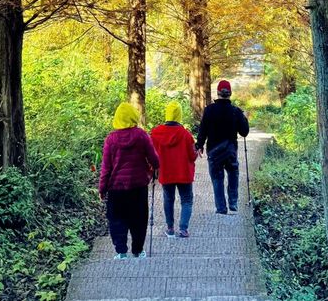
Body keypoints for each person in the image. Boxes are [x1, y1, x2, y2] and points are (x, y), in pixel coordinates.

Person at [99, 102, 159, 260]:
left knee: (117, 219)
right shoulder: (141, 135)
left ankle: (121, 252)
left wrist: (102, 188)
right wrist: (155, 167)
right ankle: (138, 251)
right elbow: (153, 158)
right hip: (138, 186)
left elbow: (106, 167)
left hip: (116, 188)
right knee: (139, 219)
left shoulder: (111, 139)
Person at [195, 79, 249, 215]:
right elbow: (244, 132)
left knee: (217, 179)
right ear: (230, 93)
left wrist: (199, 145)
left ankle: (221, 208)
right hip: (230, 149)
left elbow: (203, 130)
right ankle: (233, 202)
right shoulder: (236, 111)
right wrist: (245, 118)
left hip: (213, 151)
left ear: (218, 93)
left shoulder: (209, 110)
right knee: (233, 173)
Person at [151, 100, 197, 238]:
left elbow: (152, 154)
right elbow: (192, 156)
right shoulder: (186, 134)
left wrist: (152, 170)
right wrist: (196, 152)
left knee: (168, 199)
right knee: (187, 200)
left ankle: (170, 228)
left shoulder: (156, 133)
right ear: (179, 116)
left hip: (166, 173)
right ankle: (183, 229)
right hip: (184, 173)